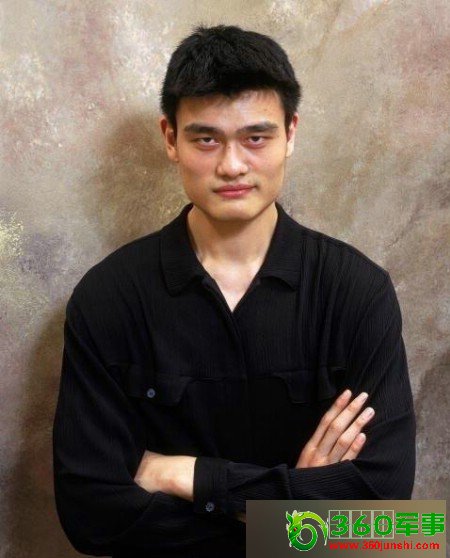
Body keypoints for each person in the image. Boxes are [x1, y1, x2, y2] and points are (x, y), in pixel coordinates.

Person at [52, 24, 416, 558]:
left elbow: (386, 520)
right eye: (206, 139)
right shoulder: (107, 298)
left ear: (291, 132)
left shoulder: (358, 292)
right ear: (170, 138)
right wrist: (292, 511)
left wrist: (188, 476)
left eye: (256, 137)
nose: (232, 165)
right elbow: (90, 518)